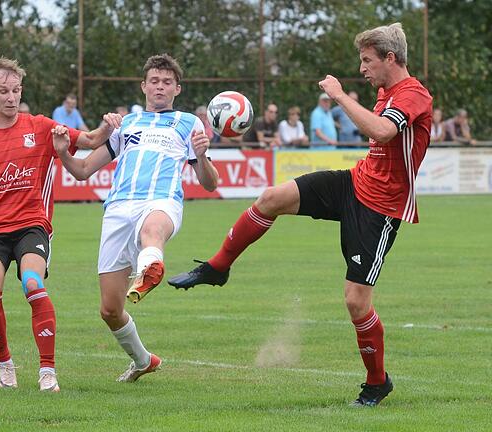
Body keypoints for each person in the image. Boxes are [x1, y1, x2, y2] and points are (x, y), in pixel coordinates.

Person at [169, 23, 432, 407]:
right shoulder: (385, 91)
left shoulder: (413, 94)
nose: (362, 68)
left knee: (356, 301)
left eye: (367, 60)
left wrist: (340, 96)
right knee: (272, 197)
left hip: (381, 208)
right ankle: (218, 266)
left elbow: (382, 131)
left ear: (390, 59)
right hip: (354, 182)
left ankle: (377, 382)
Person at [0, 55, 119, 392]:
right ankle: (5, 365)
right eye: (3, 91)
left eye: (16, 90)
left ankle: (48, 371)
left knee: (32, 284)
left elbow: (89, 141)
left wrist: (107, 126)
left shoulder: (41, 126)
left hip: (32, 225)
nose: (11, 97)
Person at [52, 54, 219, 383]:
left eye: (167, 82)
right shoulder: (126, 124)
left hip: (161, 201)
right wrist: (62, 153)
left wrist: (201, 156)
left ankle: (151, 266)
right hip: (118, 209)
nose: (160, 86)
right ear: (144, 86)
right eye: (154, 81)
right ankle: (143, 360)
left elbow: (209, 183)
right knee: (110, 310)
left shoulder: (189, 123)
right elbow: (84, 170)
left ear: (177, 89)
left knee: (152, 230)